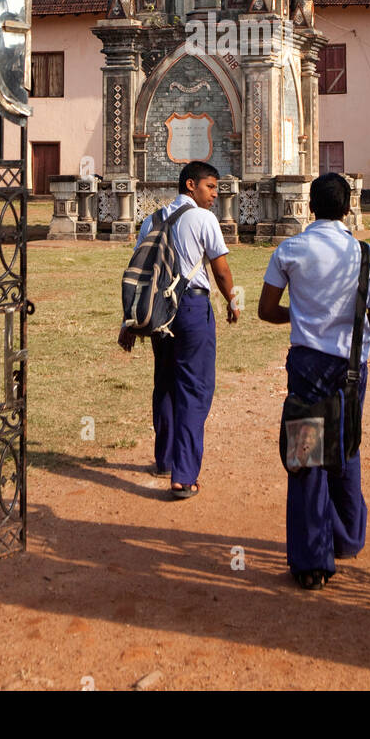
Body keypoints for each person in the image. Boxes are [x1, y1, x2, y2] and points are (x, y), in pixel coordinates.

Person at [257, 172, 370, 589]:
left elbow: (265, 309)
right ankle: (347, 538)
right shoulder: (366, 255)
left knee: (307, 455)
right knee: (347, 444)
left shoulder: (290, 250)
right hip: (351, 367)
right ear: (349, 207)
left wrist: (302, 317)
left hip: (307, 365)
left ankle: (312, 562)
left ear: (310, 207)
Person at [123, 160, 237, 499]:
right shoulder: (203, 219)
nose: (215, 194)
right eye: (210, 187)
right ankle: (184, 475)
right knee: (195, 387)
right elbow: (221, 269)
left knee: (167, 382)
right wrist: (232, 300)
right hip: (191, 308)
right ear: (190, 185)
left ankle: (165, 459)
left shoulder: (151, 220)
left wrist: (129, 321)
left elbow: (140, 273)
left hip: (160, 310)